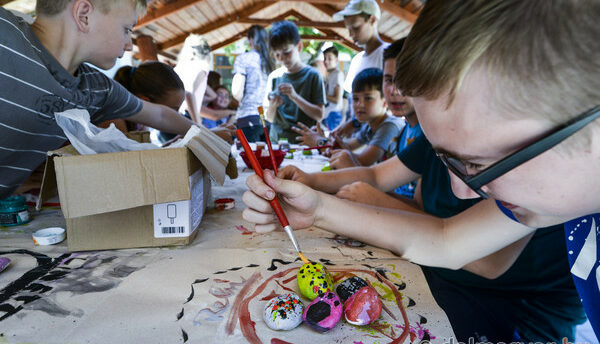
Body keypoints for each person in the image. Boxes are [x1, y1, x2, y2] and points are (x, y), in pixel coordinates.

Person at [244, 0, 600, 338]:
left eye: (479, 164)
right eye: (450, 161)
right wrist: (316, 209)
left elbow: (473, 255)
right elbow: (448, 241)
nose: (461, 190)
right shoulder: (552, 196)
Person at [0, 0, 212, 199]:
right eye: (127, 29)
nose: (129, 45)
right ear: (84, 15)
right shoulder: (5, 34)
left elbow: (158, 114)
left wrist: (208, 139)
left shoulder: (96, 89)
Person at [332, 0, 390, 138]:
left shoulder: (389, 55)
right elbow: (350, 104)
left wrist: (355, 124)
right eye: (349, 29)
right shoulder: (357, 60)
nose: (351, 35)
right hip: (357, 140)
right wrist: (342, 126)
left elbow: (392, 104)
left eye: (356, 28)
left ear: (372, 20)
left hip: (381, 138)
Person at [328, 68, 404, 169]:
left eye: (368, 98)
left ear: (385, 101)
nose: (360, 104)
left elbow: (362, 161)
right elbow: (348, 148)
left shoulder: (389, 126)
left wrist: (323, 143)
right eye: (355, 99)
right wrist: (327, 141)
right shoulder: (369, 126)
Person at [264, 21, 326, 143]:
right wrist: (273, 105)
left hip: (304, 144)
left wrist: (295, 97)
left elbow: (319, 115)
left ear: (299, 46)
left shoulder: (313, 75)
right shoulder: (274, 77)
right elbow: (269, 118)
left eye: (287, 52)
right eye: (277, 54)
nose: (282, 58)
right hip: (277, 142)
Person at [231, 25, 275, 142]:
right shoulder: (272, 61)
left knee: (250, 158)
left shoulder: (243, 58)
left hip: (248, 117)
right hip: (269, 118)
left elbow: (236, 92)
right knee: (266, 158)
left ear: (250, 40)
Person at [174, 34, 215, 124]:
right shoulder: (203, 66)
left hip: (174, 113)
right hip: (186, 114)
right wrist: (197, 122)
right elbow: (189, 93)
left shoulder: (179, 67)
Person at [322, 46, 345, 131]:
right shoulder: (330, 74)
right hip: (327, 113)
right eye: (324, 58)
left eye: (329, 58)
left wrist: (322, 94)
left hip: (333, 115)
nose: (326, 61)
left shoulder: (338, 74)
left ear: (336, 60)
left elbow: (336, 99)